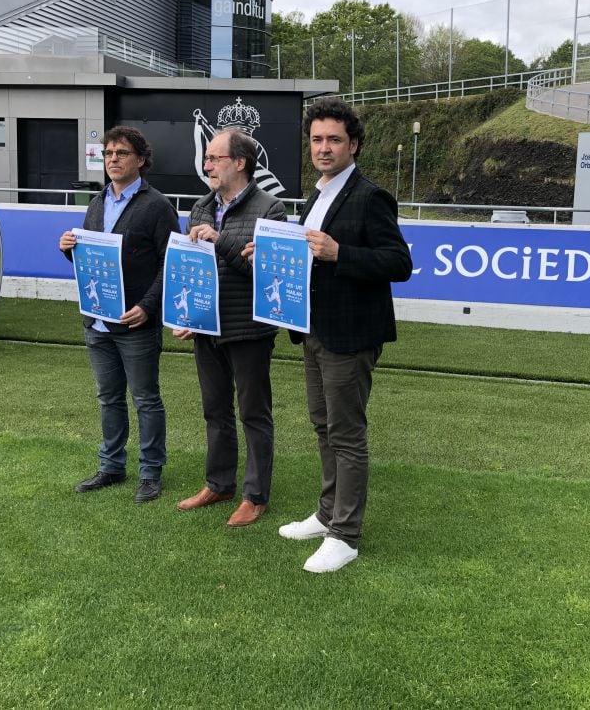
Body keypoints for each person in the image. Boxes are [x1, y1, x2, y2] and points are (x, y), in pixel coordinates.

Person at [256, 97, 412, 573]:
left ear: (354, 145)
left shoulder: (369, 196)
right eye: (317, 139)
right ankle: (327, 515)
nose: (324, 148)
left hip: (352, 334)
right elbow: (308, 257)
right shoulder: (316, 195)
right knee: (323, 427)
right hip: (314, 329)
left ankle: (345, 534)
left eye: (334, 140)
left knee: (346, 434)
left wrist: (341, 252)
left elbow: (398, 263)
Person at [59, 126, 179, 502]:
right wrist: (69, 248)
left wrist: (148, 307)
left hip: (135, 322)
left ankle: (150, 472)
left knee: (145, 399)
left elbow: (170, 263)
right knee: (108, 398)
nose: (113, 159)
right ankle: (111, 466)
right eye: (109, 152)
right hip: (97, 320)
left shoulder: (157, 205)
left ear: (140, 160)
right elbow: (94, 256)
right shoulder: (97, 202)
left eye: (122, 153)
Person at [174, 128, 286, 527]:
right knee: (214, 410)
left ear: (240, 163)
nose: (207, 165)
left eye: (214, 158)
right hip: (207, 327)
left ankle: (255, 496)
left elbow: (266, 275)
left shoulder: (271, 210)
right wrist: (185, 315)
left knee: (253, 413)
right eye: (206, 159)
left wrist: (221, 241)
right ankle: (219, 484)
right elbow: (190, 270)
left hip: (249, 330)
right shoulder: (200, 207)